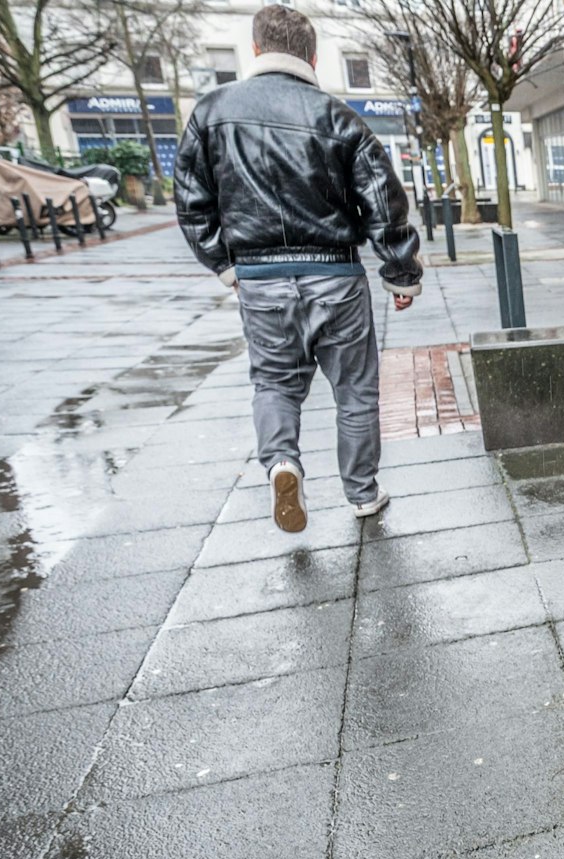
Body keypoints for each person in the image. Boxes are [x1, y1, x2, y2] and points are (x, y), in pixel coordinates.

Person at [173, 4, 421, 532]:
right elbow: (382, 198)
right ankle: (362, 493)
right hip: (335, 274)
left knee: (275, 384)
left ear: (257, 49)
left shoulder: (211, 114)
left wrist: (224, 265)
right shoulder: (337, 117)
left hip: (260, 279)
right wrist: (401, 271)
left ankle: (282, 463)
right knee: (354, 390)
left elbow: (192, 202)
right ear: (311, 55)